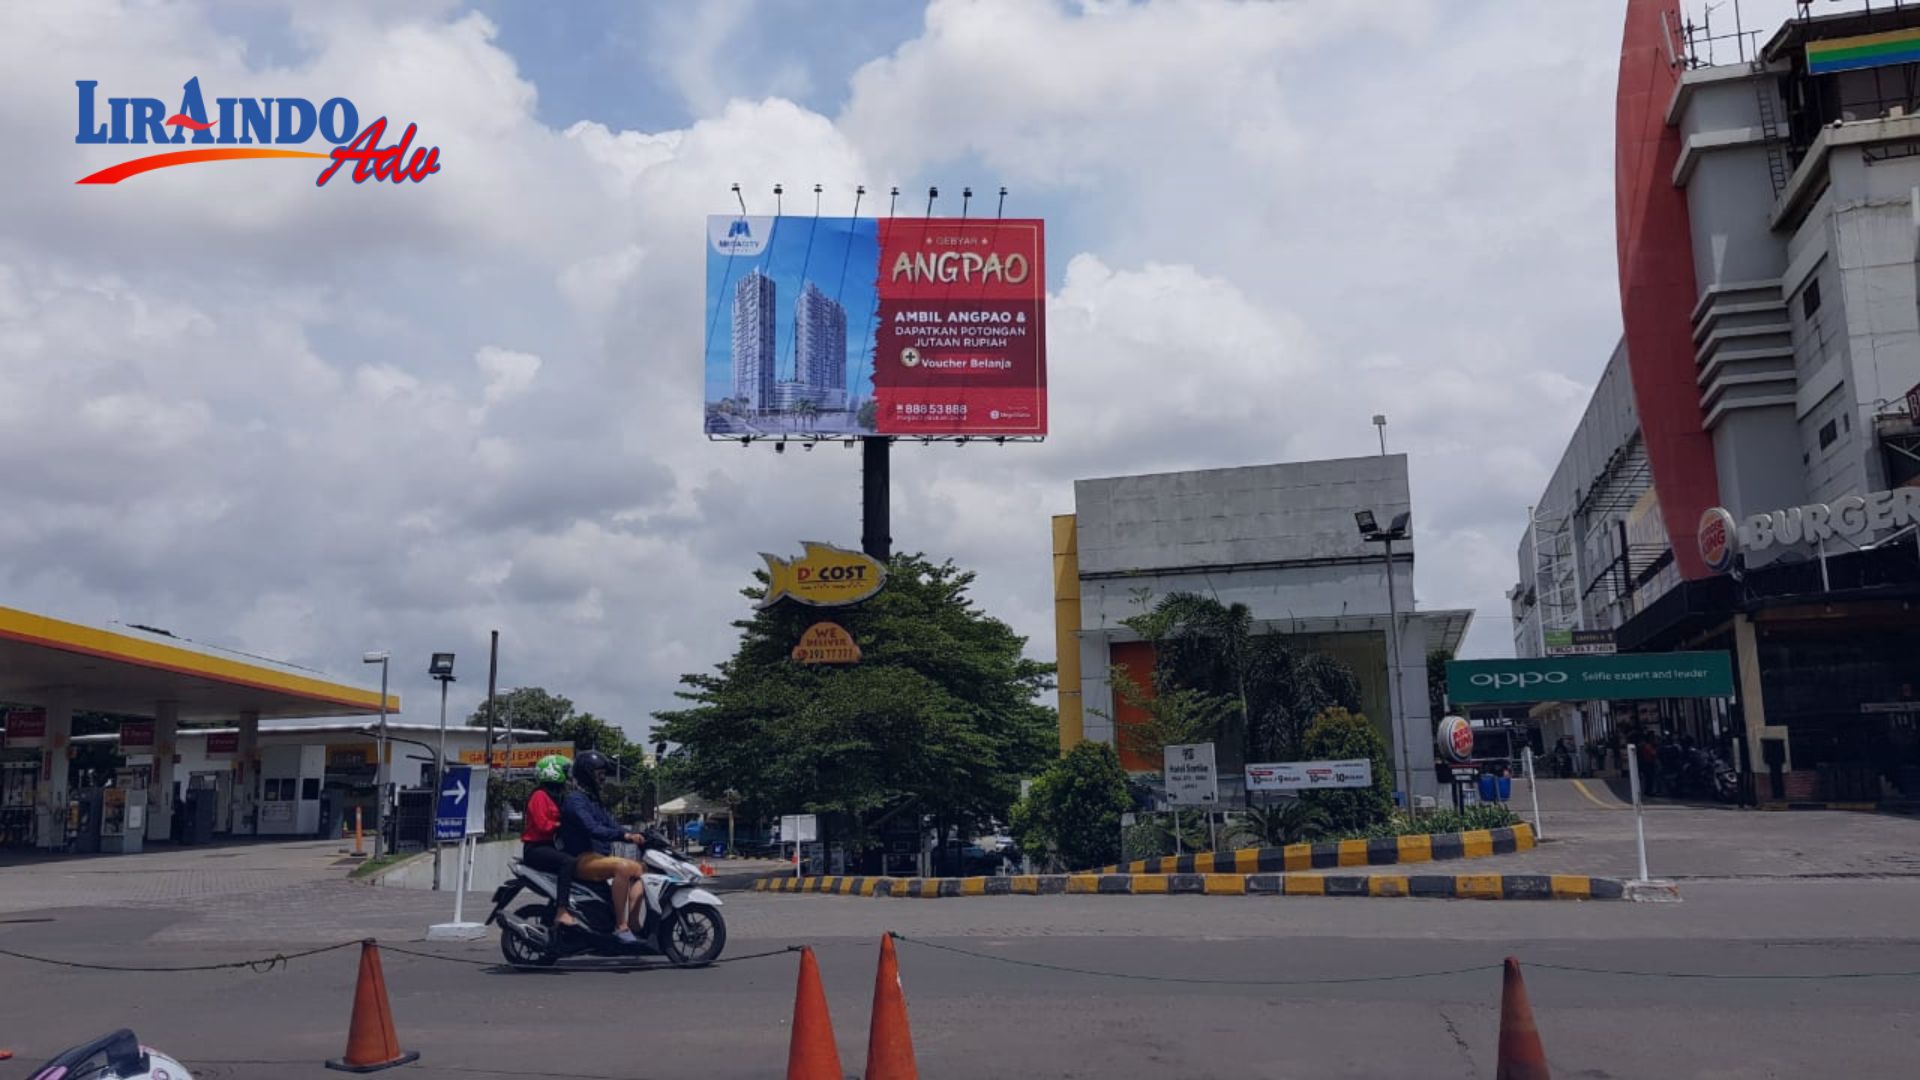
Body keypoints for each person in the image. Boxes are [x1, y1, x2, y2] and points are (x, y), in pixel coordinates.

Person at [559, 749, 649, 944]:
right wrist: (623, 835)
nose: (602, 778)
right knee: (624, 868)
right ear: (587, 774)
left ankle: (634, 924)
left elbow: (610, 824)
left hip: (597, 858)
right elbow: (592, 828)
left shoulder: (593, 800)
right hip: (582, 858)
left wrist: (636, 835)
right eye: (599, 774)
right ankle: (620, 926)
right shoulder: (575, 800)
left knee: (643, 870)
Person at [519, 754, 578, 931]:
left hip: (550, 847)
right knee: (568, 862)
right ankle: (561, 910)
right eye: (565, 772)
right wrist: (562, 826)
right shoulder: (539, 796)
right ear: (553, 772)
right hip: (536, 849)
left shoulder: (558, 796)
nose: (569, 776)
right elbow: (543, 825)